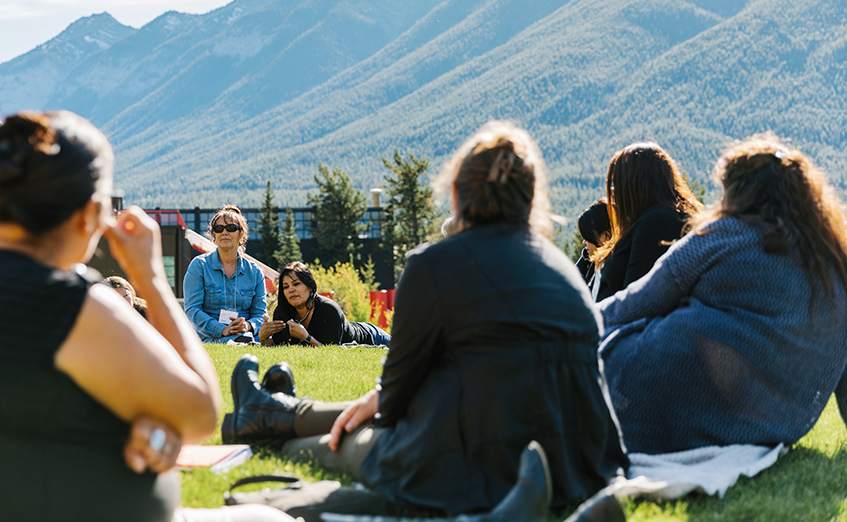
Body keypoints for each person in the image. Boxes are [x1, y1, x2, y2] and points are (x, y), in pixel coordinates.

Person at [0, 111, 292, 522]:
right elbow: (199, 413)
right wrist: (151, 278)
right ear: (88, 211)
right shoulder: (63, 300)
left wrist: (122, 423)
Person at [222, 121, 626, 516]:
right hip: (576, 471)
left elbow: (395, 399)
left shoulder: (435, 266)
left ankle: (270, 423)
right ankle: (274, 412)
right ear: (533, 198)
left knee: (322, 447)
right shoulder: (565, 273)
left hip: (466, 469)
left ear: (454, 194)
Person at [599, 133, 847, 454]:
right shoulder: (834, 264)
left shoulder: (722, 235)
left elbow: (637, 303)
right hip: (766, 425)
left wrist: (569, 324)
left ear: (737, 192)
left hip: (663, 380)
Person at [593, 142, 701, 301]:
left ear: (633, 185)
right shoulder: (665, 217)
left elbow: (637, 298)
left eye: (616, 185)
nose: (614, 195)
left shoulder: (658, 223)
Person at [183, 205, 266, 343]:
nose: (224, 232)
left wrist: (248, 326)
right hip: (209, 337)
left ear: (242, 234)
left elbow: (260, 313)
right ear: (214, 235)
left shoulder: (255, 272)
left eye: (231, 228)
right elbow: (192, 310)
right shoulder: (199, 266)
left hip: (247, 335)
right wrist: (222, 330)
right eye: (219, 228)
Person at [259, 262, 390, 347]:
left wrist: (306, 337)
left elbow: (332, 352)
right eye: (285, 287)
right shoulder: (282, 312)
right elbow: (279, 348)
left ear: (310, 286)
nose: (291, 290)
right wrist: (264, 338)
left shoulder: (328, 309)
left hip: (374, 338)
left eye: (296, 284)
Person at [575, 198, 611, 292]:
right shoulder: (589, 262)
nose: (584, 242)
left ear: (606, 236)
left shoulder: (610, 274)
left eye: (588, 238)